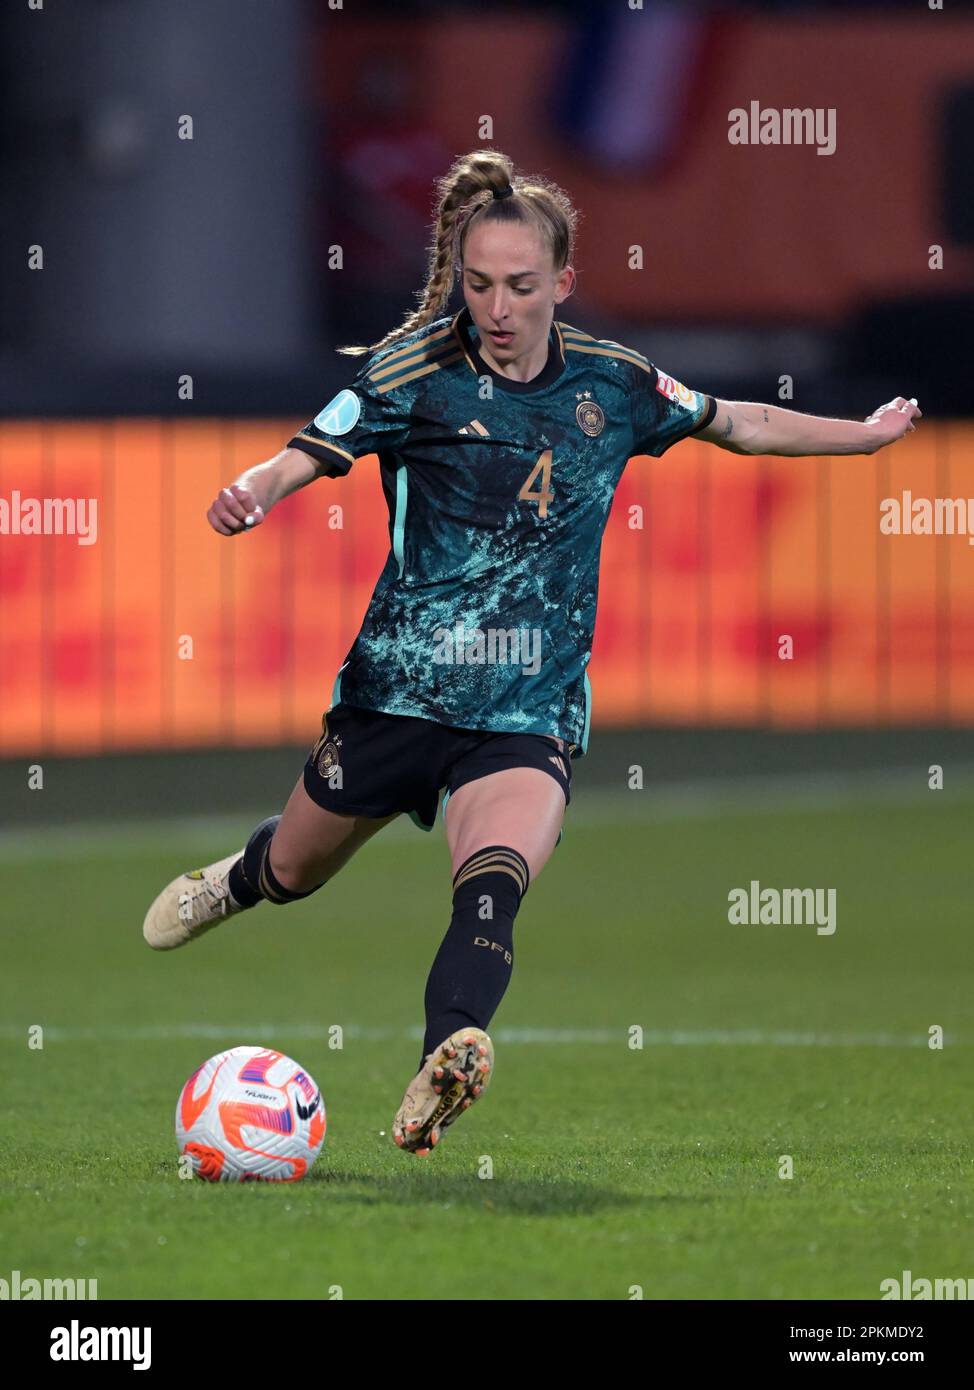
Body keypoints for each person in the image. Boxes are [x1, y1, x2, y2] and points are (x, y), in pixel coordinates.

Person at [142, 149, 921, 1157]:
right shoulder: (412, 369)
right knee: (296, 869)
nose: (496, 307)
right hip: (397, 697)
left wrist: (858, 438)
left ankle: (446, 1055)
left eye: (518, 285)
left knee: (492, 879)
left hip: (525, 709)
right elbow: (303, 450)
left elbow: (742, 421)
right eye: (477, 285)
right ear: (457, 280)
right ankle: (240, 880)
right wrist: (253, 490)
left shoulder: (614, 383)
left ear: (561, 281)